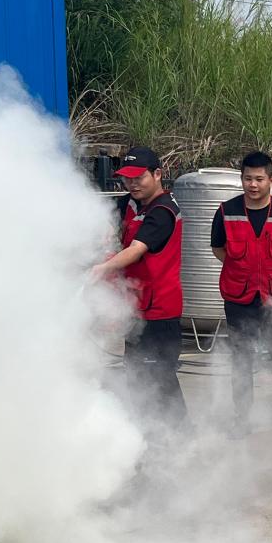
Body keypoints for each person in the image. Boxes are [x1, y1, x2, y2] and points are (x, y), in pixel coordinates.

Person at [210, 150, 272, 434]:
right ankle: (242, 416)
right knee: (241, 358)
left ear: (271, 180)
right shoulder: (226, 211)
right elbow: (218, 249)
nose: (253, 184)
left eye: (259, 179)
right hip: (239, 296)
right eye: (248, 178)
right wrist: (243, 268)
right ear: (241, 179)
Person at [94, 146, 187, 429]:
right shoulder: (130, 203)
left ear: (157, 174)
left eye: (138, 177)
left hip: (160, 311)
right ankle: (147, 436)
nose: (132, 184)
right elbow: (106, 223)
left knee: (160, 378)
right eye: (127, 178)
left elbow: (135, 250)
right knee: (137, 376)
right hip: (134, 308)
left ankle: (181, 436)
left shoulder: (163, 211)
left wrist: (101, 269)